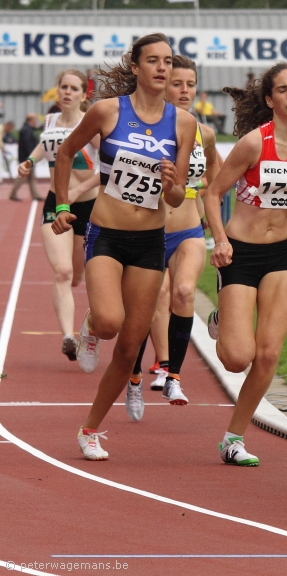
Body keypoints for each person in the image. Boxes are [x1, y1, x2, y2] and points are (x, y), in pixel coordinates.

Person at [51, 32, 196, 460]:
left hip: (151, 239)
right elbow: (65, 154)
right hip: (107, 234)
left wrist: (173, 186)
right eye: (152, 60)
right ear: (135, 67)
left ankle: (90, 428)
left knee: (132, 346)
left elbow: (176, 196)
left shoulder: (183, 124)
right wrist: (61, 204)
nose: (162, 68)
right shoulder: (107, 111)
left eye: (167, 61)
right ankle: (93, 323)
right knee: (112, 323)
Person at [204, 62, 287, 468]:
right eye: (284, 90)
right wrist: (221, 240)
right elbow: (213, 194)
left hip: (284, 253)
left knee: (267, 355)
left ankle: (233, 438)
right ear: (270, 99)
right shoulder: (252, 144)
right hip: (241, 252)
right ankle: (220, 319)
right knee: (236, 358)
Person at [125, 54, 220, 421]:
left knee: (182, 293)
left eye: (190, 84)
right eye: (176, 83)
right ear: (162, 84)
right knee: (143, 309)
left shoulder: (204, 133)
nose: (184, 91)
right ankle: (133, 378)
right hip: (147, 234)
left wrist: (203, 197)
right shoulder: (145, 125)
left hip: (188, 231)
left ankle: (173, 376)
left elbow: (216, 176)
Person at [16, 70, 99, 363]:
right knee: (62, 272)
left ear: (83, 95)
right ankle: (67, 336)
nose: (67, 92)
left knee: (78, 276)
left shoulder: (90, 126)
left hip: (87, 207)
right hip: (55, 203)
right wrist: (29, 161)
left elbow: (109, 168)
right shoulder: (50, 121)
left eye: (73, 88)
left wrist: (79, 192)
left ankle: (88, 326)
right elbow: (45, 146)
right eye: (63, 87)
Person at [9, 113, 43, 201]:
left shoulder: (27, 129)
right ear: (31, 120)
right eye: (35, 119)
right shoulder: (26, 130)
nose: (36, 121)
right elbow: (28, 145)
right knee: (22, 176)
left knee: (31, 177)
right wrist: (32, 157)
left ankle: (35, 195)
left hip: (26, 156)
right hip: (27, 157)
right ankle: (13, 193)